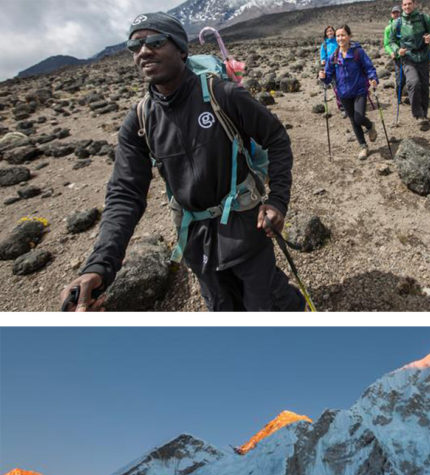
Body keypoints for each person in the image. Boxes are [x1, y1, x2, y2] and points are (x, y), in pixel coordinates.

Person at [60, 12, 304, 312]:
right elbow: (125, 194)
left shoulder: (221, 94)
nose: (143, 51)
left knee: (267, 306)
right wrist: (98, 266)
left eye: (155, 41)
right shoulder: (139, 121)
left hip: (246, 231)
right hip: (195, 244)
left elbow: (276, 138)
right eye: (134, 46)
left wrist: (278, 201)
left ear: (181, 49)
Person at [319, 25, 379, 160]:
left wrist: (373, 78)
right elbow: (328, 77)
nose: (340, 38)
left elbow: (369, 67)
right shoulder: (333, 56)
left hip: (359, 90)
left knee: (358, 117)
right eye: (338, 36)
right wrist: (323, 77)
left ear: (349, 36)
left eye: (343, 35)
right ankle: (363, 146)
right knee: (353, 120)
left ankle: (370, 125)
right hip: (343, 93)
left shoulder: (358, 52)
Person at [389, 0, 430, 129]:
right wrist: (397, 50)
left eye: (409, 3)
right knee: (413, 83)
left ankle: (424, 114)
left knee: (424, 86)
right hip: (408, 57)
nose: (407, 6)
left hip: (424, 56)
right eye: (405, 4)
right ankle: (418, 115)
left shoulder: (424, 18)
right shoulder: (397, 23)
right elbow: (392, 41)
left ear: (414, 4)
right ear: (402, 6)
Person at [382, 6, 406, 97]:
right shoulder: (388, 28)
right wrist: (391, 52)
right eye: (394, 13)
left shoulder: (406, 25)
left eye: (398, 12)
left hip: (408, 54)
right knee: (400, 78)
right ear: (391, 14)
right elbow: (387, 43)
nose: (396, 14)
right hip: (397, 56)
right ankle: (399, 96)